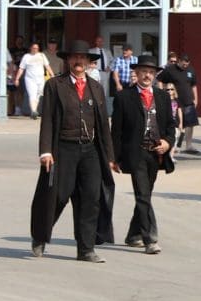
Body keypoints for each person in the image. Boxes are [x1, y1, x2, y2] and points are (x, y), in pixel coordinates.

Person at [31, 39, 116, 263]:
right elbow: (47, 119)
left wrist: (109, 156)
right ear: (68, 60)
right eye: (74, 57)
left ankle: (86, 248)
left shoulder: (96, 88)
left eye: (83, 58)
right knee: (57, 196)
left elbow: (103, 125)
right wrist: (46, 151)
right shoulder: (55, 86)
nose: (79, 61)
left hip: (90, 151)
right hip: (63, 149)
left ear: (89, 63)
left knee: (90, 198)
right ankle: (40, 236)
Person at [111, 53, 175, 254]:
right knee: (142, 195)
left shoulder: (163, 96)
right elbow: (117, 130)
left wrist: (167, 142)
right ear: (136, 74)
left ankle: (133, 235)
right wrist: (113, 157)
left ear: (155, 75)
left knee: (145, 195)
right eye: (143, 72)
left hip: (156, 154)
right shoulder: (123, 97)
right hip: (135, 153)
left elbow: (171, 126)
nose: (147, 75)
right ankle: (150, 239)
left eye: (151, 72)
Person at [157, 51, 197, 150]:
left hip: (188, 100)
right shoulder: (170, 69)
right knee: (176, 124)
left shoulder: (191, 70)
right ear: (179, 61)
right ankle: (174, 146)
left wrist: (196, 98)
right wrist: (162, 93)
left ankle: (189, 145)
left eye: (187, 64)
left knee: (190, 124)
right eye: (183, 63)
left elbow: (194, 85)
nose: (185, 66)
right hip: (175, 101)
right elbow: (159, 79)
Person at [14, 42, 52, 119]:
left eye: (37, 48)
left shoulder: (42, 55)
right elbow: (21, 68)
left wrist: (52, 75)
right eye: (34, 48)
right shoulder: (26, 57)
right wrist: (17, 79)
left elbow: (47, 66)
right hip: (30, 79)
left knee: (38, 95)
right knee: (32, 94)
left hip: (40, 79)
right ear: (30, 48)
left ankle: (34, 110)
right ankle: (34, 111)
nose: (35, 50)